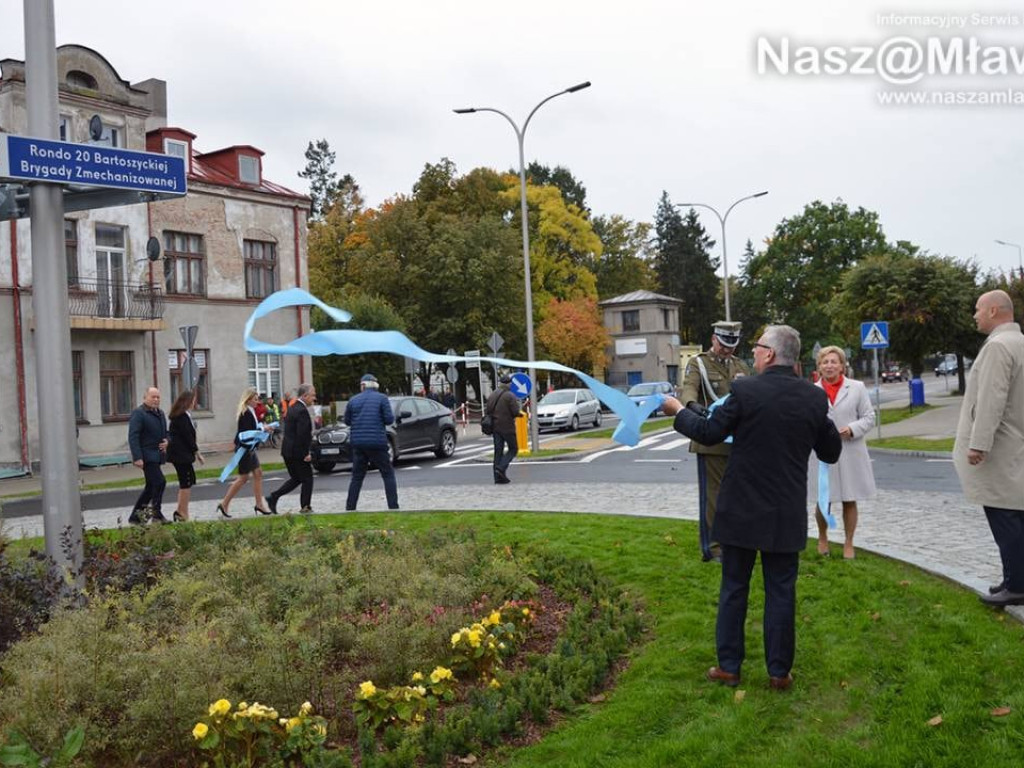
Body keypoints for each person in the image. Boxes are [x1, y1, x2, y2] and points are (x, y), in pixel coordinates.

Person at [663, 325, 842, 690]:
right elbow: (830, 451)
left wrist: (678, 411)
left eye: (759, 346)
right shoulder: (813, 397)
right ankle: (779, 673)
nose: (754, 352)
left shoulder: (744, 390)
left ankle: (729, 667)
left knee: (733, 588)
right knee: (781, 592)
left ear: (771, 354)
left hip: (740, 509)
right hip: (784, 512)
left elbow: (710, 432)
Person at [953, 289, 1024, 607]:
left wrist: (978, 443)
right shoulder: (1018, 342)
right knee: (1016, 512)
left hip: (1000, 446)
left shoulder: (997, 346)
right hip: (1015, 441)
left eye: (978, 309)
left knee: (1004, 514)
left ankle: (1017, 584)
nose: (975, 314)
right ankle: (1014, 578)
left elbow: (991, 400)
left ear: (994, 310)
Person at [679, 320, 750, 562]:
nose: (727, 349)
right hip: (712, 440)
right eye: (723, 344)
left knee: (737, 495)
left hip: (738, 440)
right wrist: (692, 406)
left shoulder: (740, 365)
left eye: (731, 345)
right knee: (714, 495)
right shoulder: (698, 363)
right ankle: (714, 547)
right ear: (713, 339)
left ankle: (735, 539)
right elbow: (688, 388)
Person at [809, 346, 876, 559]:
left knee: (849, 497)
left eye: (833, 362)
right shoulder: (812, 391)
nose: (829, 366)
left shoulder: (856, 388)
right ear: (819, 367)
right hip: (822, 451)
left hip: (850, 450)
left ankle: (849, 542)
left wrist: (852, 429)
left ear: (842, 365)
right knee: (823, 498)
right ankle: (822, 538)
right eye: (825, 362)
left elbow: (869, 417)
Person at [344, 374, 399, 510]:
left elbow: (347, 421)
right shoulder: (382, 399)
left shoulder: (353, 400)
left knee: (357, 477)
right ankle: (393, 506)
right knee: (387, 474)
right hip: (377, 443)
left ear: (363, 385)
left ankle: (350, 507)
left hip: (358, 444)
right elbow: (389, 419)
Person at [217, 387, 272, 518]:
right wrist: (263, 431)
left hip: (249, 449)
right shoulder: (246, 413)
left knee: (258, 473)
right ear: (248, 399)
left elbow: (254, 428)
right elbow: (247, 433)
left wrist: (264, 428)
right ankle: (224, 503)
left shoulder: (250, 411)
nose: (257, 401)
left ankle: (259, 504)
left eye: (258, 399)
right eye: (255, 399)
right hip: (245, 449)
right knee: (243, 478)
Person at [267, 383, 316, 514]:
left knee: (296, 478)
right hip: (298, 452)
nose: (314, 398)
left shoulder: (293, 407)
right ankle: (305, 507)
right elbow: (303, 434)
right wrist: (306, 453)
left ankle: (273, 496)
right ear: (305, 396)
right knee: (307, 479)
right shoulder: (302, 410)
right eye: (312, 395)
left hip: (287, 451)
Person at [127, 386, 170, 525]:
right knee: (160, 481)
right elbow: (133, 436)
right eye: (153, 397)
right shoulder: (139, 413)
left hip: (157, 455)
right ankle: (156, 514)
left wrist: (167, 441)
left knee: (151, 486)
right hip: (146, 455)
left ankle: (136, 516)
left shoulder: (160, 413)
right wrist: (137, 457)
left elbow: (166, 433)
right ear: (145, 397)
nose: (156, 400)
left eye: (158, 397)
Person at [166, 388, 204, 522]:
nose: (194, 403)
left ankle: (180, 511)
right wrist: (197, 453)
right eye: (193, 400)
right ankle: (183, 513)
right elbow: (188, 438)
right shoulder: (181, 417)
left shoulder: (184, 416)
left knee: (187, 482)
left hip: (183, 455)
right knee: (186, 483)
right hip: (181, 456)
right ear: (187, 402)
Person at [485, 372, 521, 484]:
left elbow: (488, 410)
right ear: (509, 384)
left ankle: (498, 478)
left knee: (498, 452)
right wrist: (520, 414)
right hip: (507, 427)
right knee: (513, 449)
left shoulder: (493, 395)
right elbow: (515, 412)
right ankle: (501, 468)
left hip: (495, 427)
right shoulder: (510, 396)